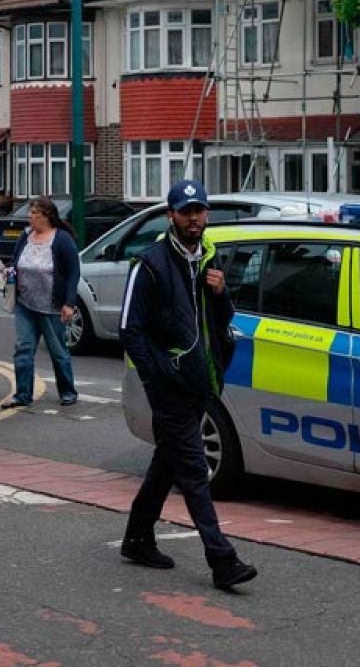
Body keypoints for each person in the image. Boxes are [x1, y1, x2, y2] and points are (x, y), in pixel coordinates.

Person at [119, 180, 256, 591]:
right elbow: (130, 330)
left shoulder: (208, 259)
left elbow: (221, 319)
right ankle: (222, 560)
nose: (193, 218)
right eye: (185, 211)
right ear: (170, 216)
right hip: (171, 386)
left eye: (199, 210)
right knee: (194, 471)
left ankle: (137, 538)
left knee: (167, 462)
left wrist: (220, 292)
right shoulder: (152, 264)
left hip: (201, 379)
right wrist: (156, 375)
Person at [0, 197, 80, 410]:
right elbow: (15, 262)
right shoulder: (25, 237)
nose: (29, 216)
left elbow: (73, 273)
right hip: (24, 304)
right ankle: (23, 394)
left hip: (51, 306)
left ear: (45, 216)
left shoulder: (62, 239)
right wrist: (9, 271)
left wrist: (69, 303)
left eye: (33, 213)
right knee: (23, 348)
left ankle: (68, 391)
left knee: (58, 351)